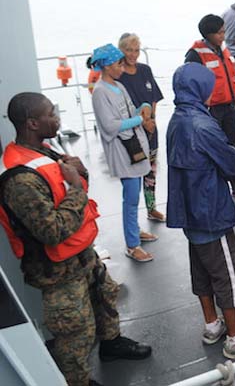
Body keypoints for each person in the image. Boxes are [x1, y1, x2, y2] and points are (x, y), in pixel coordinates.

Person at [0, 92, 152, 386]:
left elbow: (73, 192)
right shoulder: (20, 179)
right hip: (57, 269)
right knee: (73, 330)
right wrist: (76, 188)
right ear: (32, 123)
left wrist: (79, 174)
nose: (57, 118)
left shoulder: (46, 152)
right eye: (50, 114)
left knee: (104, 296)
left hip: (81, 253)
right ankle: (76, 381)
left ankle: (111, 345)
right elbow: (51, 231)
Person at [166, 63, 235, 360]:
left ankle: (212, 325)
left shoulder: (176, 119)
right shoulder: (203, 125)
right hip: (211, 211)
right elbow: (231, 165)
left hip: (189, 212)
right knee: (226, 274)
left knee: (202, 271)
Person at [90, 44, 158, 262]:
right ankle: (132, 245)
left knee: (134, 193)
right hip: (122, 150)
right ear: (107, 66)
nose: (122, 66)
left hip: (134, 146)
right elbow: (110, 125)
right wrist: (140, 119)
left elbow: (130, 110)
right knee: (129, 198)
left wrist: (144, 110)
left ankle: (135, 230)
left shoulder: (119, 85)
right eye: (119, 63)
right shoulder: (100, 92)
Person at [185, 14, 235, 199]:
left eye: (224, 31)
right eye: (220, 33)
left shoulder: (223, 51)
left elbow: (232, 81)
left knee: (233, 149)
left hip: (228, 107)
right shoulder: (195, 55)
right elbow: (191, 87)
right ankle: (216, 191)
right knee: (213, 152)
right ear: (208, 34)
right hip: (210, 111)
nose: (223, 35)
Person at [117, 33, 166, 222]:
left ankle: (151, 207)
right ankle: (133, 221)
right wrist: (142, 122)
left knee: (151, 170)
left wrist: (151, 120)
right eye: (129, 50)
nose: (133, 54)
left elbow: (153, 97)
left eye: (136, 50)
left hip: (151, 129)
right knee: (134, 177)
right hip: (132, 132)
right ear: (121, 51)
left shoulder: (145, 70)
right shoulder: (118, 76)